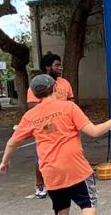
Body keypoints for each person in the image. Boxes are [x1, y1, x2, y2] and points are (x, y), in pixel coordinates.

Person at [0, 74, 111, 215]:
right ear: (55, 87)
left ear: (34, 94)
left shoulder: (30, 116)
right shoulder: (69, 107)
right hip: (76, 168)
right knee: (87, 205)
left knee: (61, 208)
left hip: (51, 172)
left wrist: (4, 162)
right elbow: (94, 132)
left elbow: (12, 142)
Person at [28, 53, 74, 199]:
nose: (60, 68)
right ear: (48, 67)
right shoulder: (37, 84)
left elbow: (71, 102)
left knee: (66, 154)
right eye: (57, 65)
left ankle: (65, 182)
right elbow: (32, 108)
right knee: (44, 156)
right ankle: (40, 185)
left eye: (60, 65)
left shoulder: (65, 83)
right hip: (47, 127)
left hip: (64, 125)